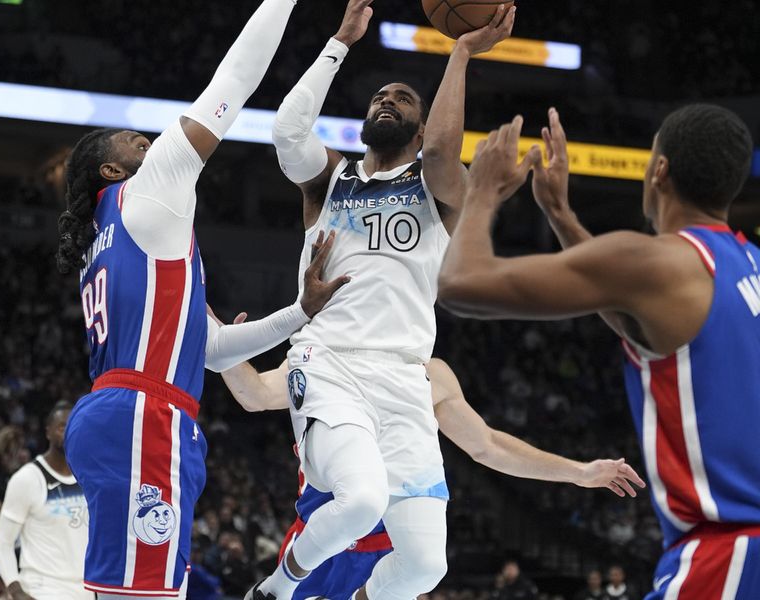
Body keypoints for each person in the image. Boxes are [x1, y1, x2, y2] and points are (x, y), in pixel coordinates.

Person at [55, 2, 349, 598]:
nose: (145, 137)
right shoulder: (146, 191)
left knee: (130, 588)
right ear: (112, 168)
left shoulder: (111, 240)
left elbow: (210, 349)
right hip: (144, 416)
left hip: (124, 411)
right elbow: (234, 80)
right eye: (129, 139)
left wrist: (299, 312)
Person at [250, 1, 518, 599]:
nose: (386, 101)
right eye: (379, 98)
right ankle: (276, 588)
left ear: (421, 130)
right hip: (329, 360)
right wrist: (340, 42)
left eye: (402, 100)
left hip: (404, 377)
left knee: (426, 566)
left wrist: (460, 54)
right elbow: (287, 132)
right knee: (361, 499)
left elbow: (448, 154)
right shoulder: (331, 181)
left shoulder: (440, 191)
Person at [437, 103, 759, 599]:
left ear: (659, 171)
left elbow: (460, 285)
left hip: (730, 555)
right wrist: (562, 216)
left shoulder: (657, 261)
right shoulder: (746, 262)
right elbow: (632, 308)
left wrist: (481, 191)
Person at [216, 354, 644, 600]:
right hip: (321, 544)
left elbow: (487, 445)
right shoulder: (319, 357)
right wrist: (223, 343)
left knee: (424, 565)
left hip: (387, 558)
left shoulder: (428, 373)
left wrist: (578, 472)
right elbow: (253, 394)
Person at [0, 402, 91, 600]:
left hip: (85, 589)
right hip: (44, 588)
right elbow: (2, 542)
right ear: (48, 432)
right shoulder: (28, 478)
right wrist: (16, 590)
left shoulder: (89, 477)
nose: (69, 431)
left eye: (74, 425)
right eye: (62, 426)